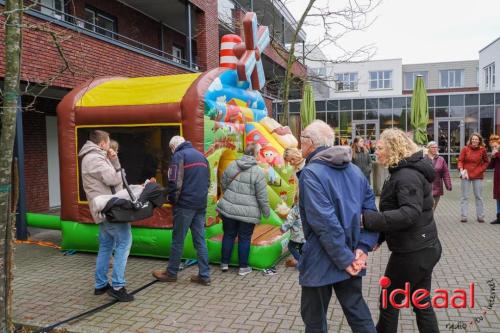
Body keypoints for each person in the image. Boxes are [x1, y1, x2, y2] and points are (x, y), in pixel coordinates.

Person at [298, 120, 379, 333]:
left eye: (301, 140)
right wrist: (362, 248)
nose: (300, 145)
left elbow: (325, 223)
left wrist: (347, 259)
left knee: (314, 320)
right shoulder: (354, 170)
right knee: (358, 314)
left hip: (322, 258)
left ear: (309, 142)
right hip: (351, 254)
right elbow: (371, 213)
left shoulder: (311, 173)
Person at [362, 128, 442, 333]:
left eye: (379, 148)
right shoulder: (402, 171)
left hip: (413, 252)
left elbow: (408, 214)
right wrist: (381, 236)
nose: (375, 151)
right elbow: (397, 211)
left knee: (389, 302)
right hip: (423, 247)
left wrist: (367, 220)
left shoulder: (406, 175)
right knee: (421, 301)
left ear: (393, 148)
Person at [78, 130, 134, 302]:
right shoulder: (95, 158)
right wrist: (119, 168)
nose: (109, 146)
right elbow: (113, 178)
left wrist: (113, 159)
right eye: (108, 143)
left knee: (106, 246)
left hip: (104, 208)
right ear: (102, 143)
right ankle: (117, 286)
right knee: (124, 241)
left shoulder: (94, 156)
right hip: (110, 209)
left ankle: (101, 284)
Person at [152, 136, 211, 286]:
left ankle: (171, 273)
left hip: (185, 205)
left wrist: (172, 200)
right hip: (200, 204)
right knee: (200, 241)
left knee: (178, 240)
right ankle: (204, 275)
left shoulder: (179, 156)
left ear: (173, 147)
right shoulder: (202, 157)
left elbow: (174, 183)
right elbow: (208, 182)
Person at [216, 143, 270, 276]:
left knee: (228, 234)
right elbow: (262, 195)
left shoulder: (233, 165)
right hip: (248, 212)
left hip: (229, 208)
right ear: (256, 154)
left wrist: (228, 195)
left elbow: (223, 181)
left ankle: (224, 263)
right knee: (244, 238)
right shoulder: (258, 171)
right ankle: (243, 268)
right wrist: (266, 212)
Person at [458, 133, 489, 223]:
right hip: (466, 175)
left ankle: (480, 216)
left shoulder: (482, 150)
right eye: (473, 139)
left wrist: (481, 169)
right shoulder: (465, 149)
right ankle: (464, 216)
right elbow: (460, 160)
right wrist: (461, 169)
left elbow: (486, 162)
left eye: (476, 139)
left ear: (479, 140)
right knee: (464, 197)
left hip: (478, 175)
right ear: (470, 140)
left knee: (479, 196)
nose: (474, 140)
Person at [425, 141, 452, 210]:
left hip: (437, 188)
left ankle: (429, 219)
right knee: (426, 208)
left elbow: (445, 173)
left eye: (436, 147)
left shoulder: (441, 159)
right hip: (425, 188)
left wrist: (448, 185)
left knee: (433, 208)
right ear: (428, 148)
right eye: (433, 147)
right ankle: (427, 219)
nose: (434, 149)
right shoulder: (423, 159)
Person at [280, 193, 304, 268]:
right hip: (305, 233)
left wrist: (283, 228)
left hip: (297, 234)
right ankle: (304, 260)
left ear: (295, 200)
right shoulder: (306, 208)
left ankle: (300, 262)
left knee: (291, 246)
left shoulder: (294, 210)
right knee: (301, 247)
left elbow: (289, 222)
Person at [488, 135, 500, 224]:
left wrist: (496, 154)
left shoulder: (498, 153)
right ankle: (499, 217)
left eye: (496, 146)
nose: (494, 147)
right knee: (498, 198)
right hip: (497, 179)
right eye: (493, 146)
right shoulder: (495, 154)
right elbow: (491, 166)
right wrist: (492, 157)